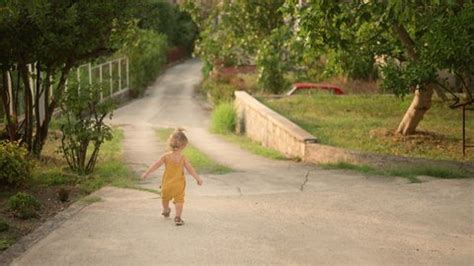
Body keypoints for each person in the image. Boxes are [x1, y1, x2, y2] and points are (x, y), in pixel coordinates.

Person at [141, 128, 203, 226]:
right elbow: (190, 170)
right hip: (179, 185)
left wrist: (147, 173)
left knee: (165, 198)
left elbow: (155, 165)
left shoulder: (165, 156)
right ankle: (178, 217)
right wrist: (198, 179)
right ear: (184, 145)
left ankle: (166, 210)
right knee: (179, 201)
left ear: (170, 143)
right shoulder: (183, 158)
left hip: (167, 184)